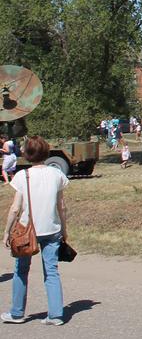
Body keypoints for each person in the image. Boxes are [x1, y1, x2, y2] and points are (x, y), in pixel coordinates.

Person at [2, 136, 69, 325]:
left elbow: (15, 208)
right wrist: (64, 229)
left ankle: (16, 313)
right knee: (52, 271)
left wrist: (7, 232)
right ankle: (56, 315)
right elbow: (61, 206)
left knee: (21, 271)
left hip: (26, 230)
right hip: (51, 229)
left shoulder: (23, 176)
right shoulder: (56, 174)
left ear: (27, 154)